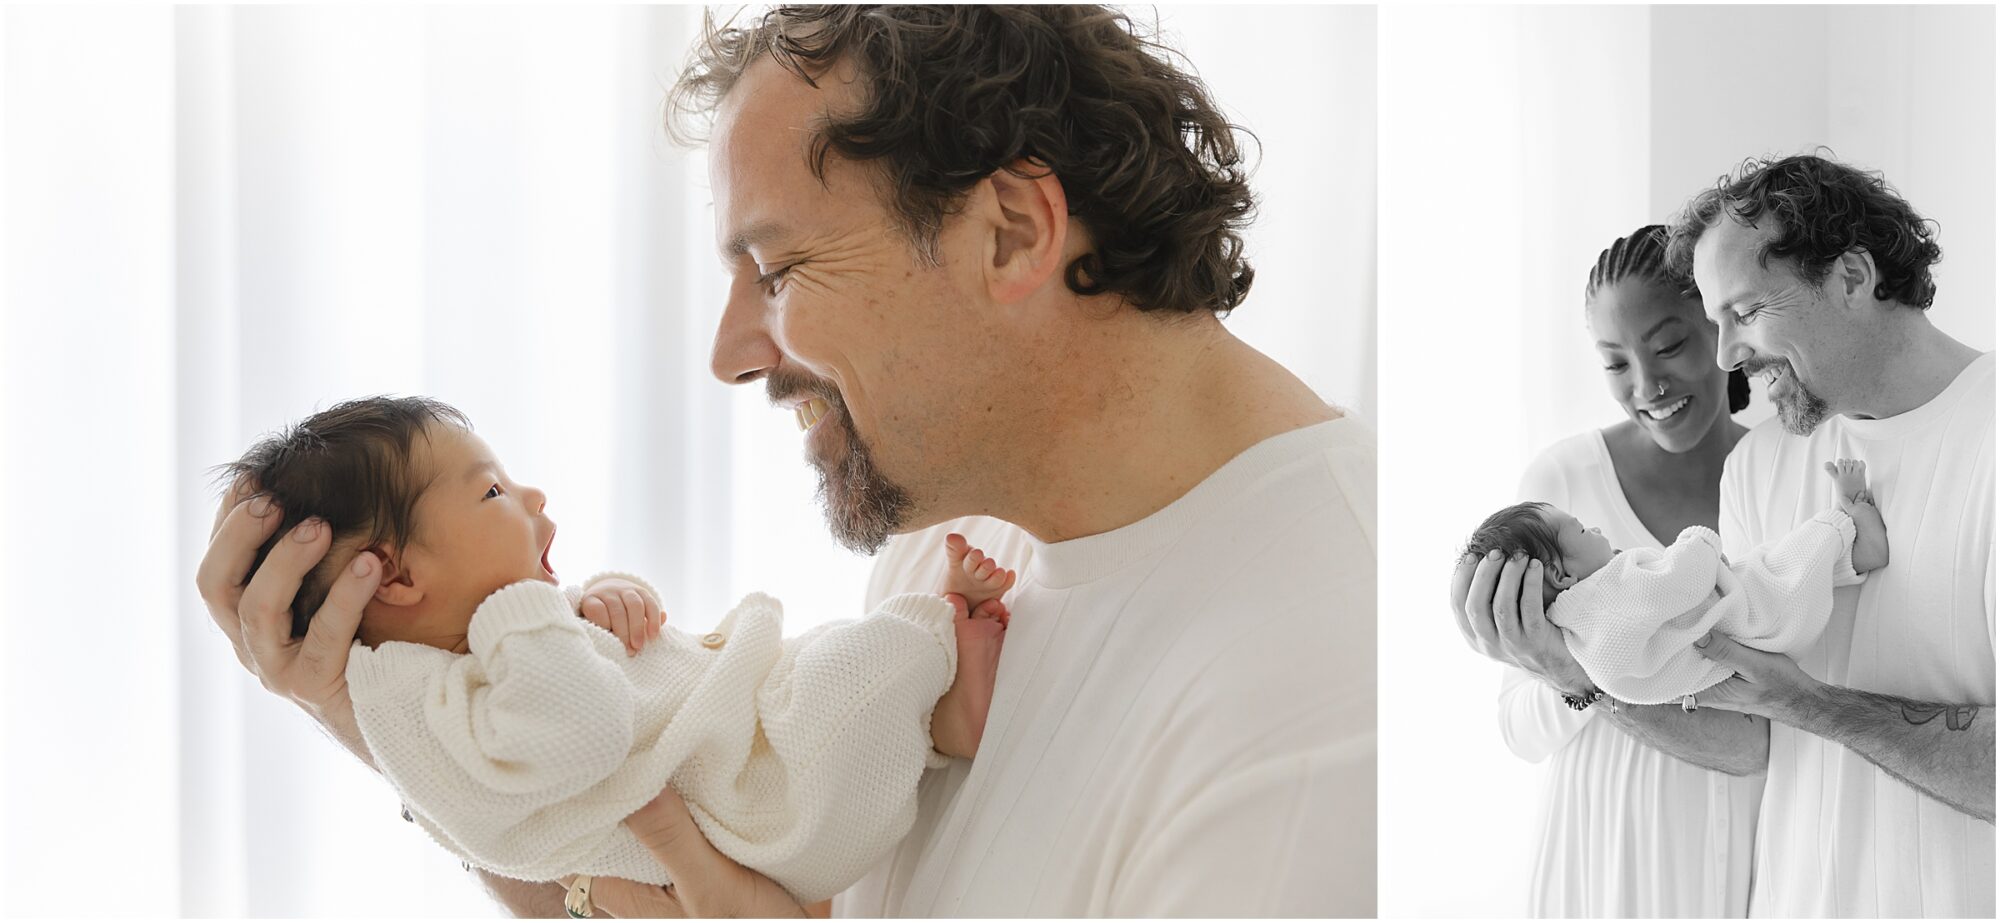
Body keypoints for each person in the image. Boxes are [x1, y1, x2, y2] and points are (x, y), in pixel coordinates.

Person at [197, 5, 1376, 917]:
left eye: (777, 270)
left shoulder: (1327, 681)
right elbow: (700, 879)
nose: (728, 354)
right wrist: (364, 697)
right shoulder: (955, 529)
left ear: (1010, 231)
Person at [1456, 155, 1995, 917]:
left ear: (1851, 278)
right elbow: (1745, 741)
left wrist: (1818, 705)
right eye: (1713, 324)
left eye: (1742, 313)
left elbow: (1792, 707)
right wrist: (1569, 667)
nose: (1725, 357)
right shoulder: (1760, 466)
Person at [214, 394, 1017, 903]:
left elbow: (596, 677)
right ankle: (944, 685)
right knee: (850, 674)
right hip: (760, 803)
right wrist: (529, 606)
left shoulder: (492, 649)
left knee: (832, 663)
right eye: (491, 492)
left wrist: (603, 596)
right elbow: (582, 731)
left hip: (751, 748)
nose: (530, 496)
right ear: (394, 576)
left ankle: (936, 703)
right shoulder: (432, 698)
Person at [1468, 225, 1766, 917]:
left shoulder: (1781, 470)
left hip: (1746, 846)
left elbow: (1774, 730)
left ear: (1720, 329)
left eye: (1668, 346)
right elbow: (1519, 728)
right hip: (1600, 852)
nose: (1647, 384)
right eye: (1614, 362)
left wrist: (1588, 670)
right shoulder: (1561, 486)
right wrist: (1573, 681)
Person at [1464, 457, 1886, 705]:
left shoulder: (1582, 639)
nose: (1594, 529)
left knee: (1782, 568)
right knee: (1787, 560)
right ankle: (1849, 520)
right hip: (1749, 626)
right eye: (1579, 530)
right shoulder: (1608, 593)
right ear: (1560, 574)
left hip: (1737, 647)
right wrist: (1697, 540)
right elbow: (1680, 583)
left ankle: (1852, 554)